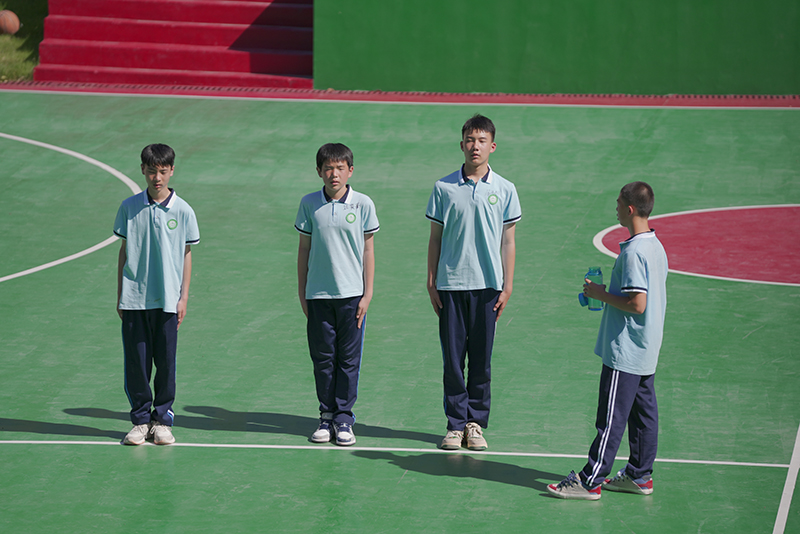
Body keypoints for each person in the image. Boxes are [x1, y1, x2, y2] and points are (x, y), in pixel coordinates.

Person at [547, 181, 668, 500]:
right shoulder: (655, 246)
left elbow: (637, 304)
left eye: (617, 203)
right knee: (643, 416)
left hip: (626, 350)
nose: (615, 208)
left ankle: (590, 481)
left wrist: (600, 294)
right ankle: (639, 475)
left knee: (611, 418)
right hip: (646, 347)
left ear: (629, 209)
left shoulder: (634, 253)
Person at [426, 114, 521, 451]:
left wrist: (508, 285)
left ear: (492, 146)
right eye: (470, 140)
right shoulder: (444, 188)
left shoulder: (505, 189)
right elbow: (435, 238)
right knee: (453, 360)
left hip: (488, 287)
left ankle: (475, 424)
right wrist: (432, 280)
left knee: (481, 359)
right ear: (461, 144)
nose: (475, 146)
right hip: (451, 285)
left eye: (482, 141)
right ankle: (455, 425)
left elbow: (508, 241)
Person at [114, 144, 200, 446]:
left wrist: (183, 298)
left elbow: (187, 254)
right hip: (134, 299)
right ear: (143, 170)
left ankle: (162, 420)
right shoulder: (129, 207)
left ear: (172, 171)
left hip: (167, 300)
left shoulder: (183, 210)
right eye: (152, 171)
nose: (157, 178)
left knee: (165, 363)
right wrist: (121, 294)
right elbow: (124, 252)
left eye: (163, 172)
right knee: (137, 363)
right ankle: (140, 421)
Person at [295, 143, 379, 447]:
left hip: (352, 296)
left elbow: (368, 251)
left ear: (350, 171)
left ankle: (344, 419)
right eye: (328, 168)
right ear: (319, 171)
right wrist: (303, 292)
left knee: (348, 360)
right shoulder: (309, 204)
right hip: (318, 295)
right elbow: (304, 250)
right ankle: (326, 416)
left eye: (340, 168)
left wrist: (367, 294)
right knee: (323, 358)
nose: (334, 174)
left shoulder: (363, 204)